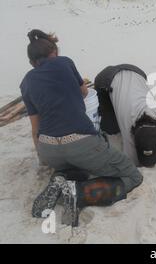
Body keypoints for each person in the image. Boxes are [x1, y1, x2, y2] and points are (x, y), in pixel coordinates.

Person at [20, 30, 143, 227]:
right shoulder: (64, 62)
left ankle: (60, 177)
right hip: (80, 142)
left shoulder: (26, 82)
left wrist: (44, 159)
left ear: (32, 62)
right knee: (133, 176)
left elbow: (35, 129)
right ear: (55, 51)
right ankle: (80, 194)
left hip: (48, 148)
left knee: (74, 165)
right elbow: (85, 92)